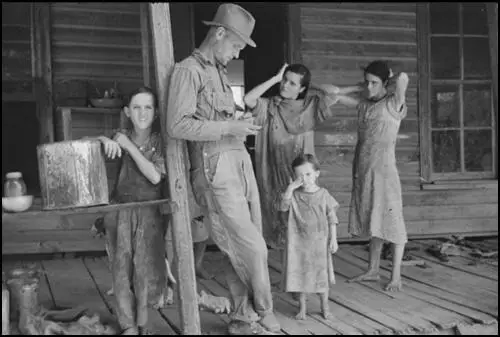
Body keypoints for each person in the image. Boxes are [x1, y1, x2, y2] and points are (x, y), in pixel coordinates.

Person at [166, 3, 280, 335]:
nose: (236, 54)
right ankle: (263, 307)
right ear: (218, 33)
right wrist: (228, 129)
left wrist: (236, 121)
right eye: (236, 46)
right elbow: (177, 124)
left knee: (247, 238)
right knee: (249, 244)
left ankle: (243, 316)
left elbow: (215, 118)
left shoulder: (218, 70)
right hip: (214, 163)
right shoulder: (189, 71)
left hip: (238, 159)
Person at [243, 62, 340, 284]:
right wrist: (275, 78)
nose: (286, 85)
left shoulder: (310, 107)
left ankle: (303, 280)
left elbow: (332, 92)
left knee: (302, 227)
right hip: (274, 175)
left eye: (292, 83)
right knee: (279, 225)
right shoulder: (270, 106)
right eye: (285, 80)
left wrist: (307, 84)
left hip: (301, 178)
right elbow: (249, 99)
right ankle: (289, 278)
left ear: (302, 88)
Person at [96, 86, 168, 335]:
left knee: (145, 268)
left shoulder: (160, 140)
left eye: (148, 107)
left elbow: (155, 177)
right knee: (120, 268)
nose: (142, 112)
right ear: (127, 111)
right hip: (120, 210)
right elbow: (89, 143)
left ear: (156, 112)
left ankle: (143, 323)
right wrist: (105, 140)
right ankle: (127, 324)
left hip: (149, 211)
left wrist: (128, 145)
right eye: (136, 107)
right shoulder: (120, 134)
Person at [334, 60, 410, 292]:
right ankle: (373, 269)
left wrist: (388, 77)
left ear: (385, 83)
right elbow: (332, 93)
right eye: (366, 83)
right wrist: (359, 87)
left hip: (385, 172)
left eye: (373, 83)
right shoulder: (364, 105)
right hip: (364, 169)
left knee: (393, 221)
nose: (369, 87)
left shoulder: (394, 104)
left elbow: (404, 78)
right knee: (374, 220)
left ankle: (396, 276)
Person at [279, 154, 339, 320]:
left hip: (320, 242)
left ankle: (325, 307)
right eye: (299, 176)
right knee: (301, 275)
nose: (304, 179)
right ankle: (302, 309)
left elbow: (332, 218)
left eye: (308, 174)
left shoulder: (323, 194)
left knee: (321, 276)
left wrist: (333, 239)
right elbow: (283, 209)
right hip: (299, 243)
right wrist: (290, 188)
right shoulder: (295, 195)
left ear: (317, 173)